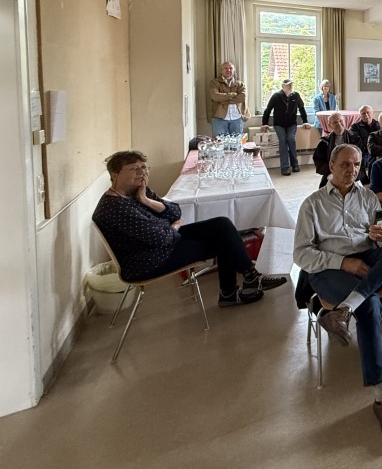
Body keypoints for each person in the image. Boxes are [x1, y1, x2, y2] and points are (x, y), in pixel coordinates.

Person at [294, 144, 382, 444]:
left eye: (357, 164)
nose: (352, 170)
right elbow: (302, 255)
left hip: (366, 257)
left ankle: (346, 307)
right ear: (331, 166)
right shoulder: (313, 204)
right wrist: (343, 262)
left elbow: (379, 236)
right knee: (370, 305)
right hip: (329, 268)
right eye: (346, 164)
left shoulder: (368, 196)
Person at [93, 150, 287, 308]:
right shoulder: (116, 208)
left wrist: (146, 201)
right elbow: (163, 238)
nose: (141, 172)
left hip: (161, 243)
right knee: (225, 240)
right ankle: (238, 288)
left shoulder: (139, 191)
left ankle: (247, 280)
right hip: (148, 260)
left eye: (144, 167)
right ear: (115, 175)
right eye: (133, 169)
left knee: (222, 225)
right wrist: (174, 225)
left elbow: (175, 211)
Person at [260, 79, 311, 176]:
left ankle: (295, 165)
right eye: (288, 85)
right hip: (279, 124)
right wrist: (264, 123)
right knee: (283, 141)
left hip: (291, 123)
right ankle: (285, 167)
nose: (290, 86)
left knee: (291, 139)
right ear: (283, 86)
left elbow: (301, 108)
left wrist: (305, 121)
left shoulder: (296, 95)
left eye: (291, 85)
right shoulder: (276, 96)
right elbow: (268, 110)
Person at [208, 61, 248, 137]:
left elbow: (242, 97)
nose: (228, 70)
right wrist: (232, 94)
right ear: (221, 70)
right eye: (226, 68)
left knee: (237, 143)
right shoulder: (214, 83)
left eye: (231, 68)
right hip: (219, 118)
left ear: (234, 70)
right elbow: (215, 97)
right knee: (219, 143)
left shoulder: (240, 84)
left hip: (237, 118)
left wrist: (223, 100)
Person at [313, 111, 350, 188]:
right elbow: (318, 160)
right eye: (335, 122)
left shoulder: (355, 138)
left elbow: (361, 157)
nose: (339, 124)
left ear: (345, 121)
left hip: (351, 170)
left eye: (340, 121)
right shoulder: (324, 142)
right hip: (332, 171)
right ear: (330, 125)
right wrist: (333, 169)